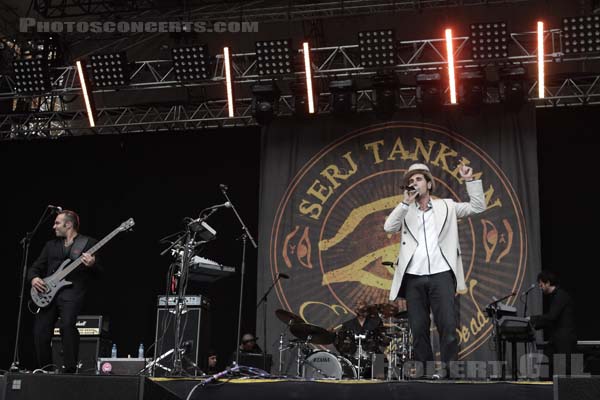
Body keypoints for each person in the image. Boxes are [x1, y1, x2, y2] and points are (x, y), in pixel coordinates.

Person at [384, 163, 486, 377]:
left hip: (441, 274)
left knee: (448, 326)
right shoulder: (406, 210)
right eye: (411, 181)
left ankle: (450, 371)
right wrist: (404, 203)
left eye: (418, 179)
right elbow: (389, 227)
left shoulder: (446, 206)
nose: (414, 184)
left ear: (429, 184)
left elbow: (477, 207)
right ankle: (426, 372)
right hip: (413, 277)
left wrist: (469, 180)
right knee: (418, 329)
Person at [27, 210, 101, 373]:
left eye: (57, 223)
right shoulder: (50, 245)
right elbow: (35, 267)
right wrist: (33, 278)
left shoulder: (88, 243)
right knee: (40, 331)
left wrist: (92, 265)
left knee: (67, 326)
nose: (54, 227)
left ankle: (69, 369)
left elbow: (100, 274)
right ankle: (45, 369)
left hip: (72, 293)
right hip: (48, 292)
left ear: (68, 225)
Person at [529, 271, 576, 377]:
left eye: (541, 285)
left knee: (563, 374)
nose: (540, 288)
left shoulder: (560, 296)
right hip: (555, 339)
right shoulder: (554, 297)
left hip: (564, 341)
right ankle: (547, 391)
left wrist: (532, 319)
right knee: (545, 371)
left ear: (548, 283)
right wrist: (534, 325)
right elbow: (551, 320)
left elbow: (551, 316)